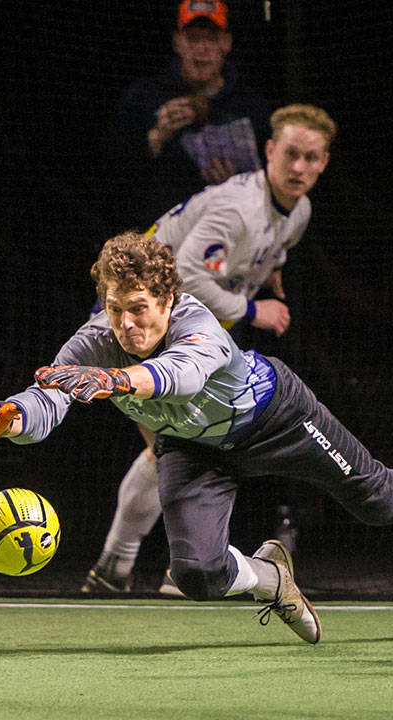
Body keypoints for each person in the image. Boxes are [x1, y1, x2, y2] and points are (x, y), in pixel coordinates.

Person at [0, 233, 393, 641]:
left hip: (274, 417)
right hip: (193, 447)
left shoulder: (198, 324)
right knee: (196, 574)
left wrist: (113, 381)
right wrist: (13, 418)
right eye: (115, 308)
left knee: (376, 500)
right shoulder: (94, 340)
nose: (125, 324)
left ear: (167, 300)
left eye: (139, 309)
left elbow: (180, 377)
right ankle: (271, 578)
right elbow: (52, 396)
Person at [81, 104, 335, 594]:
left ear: (324, 162)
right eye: (290, 154)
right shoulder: (236, 207)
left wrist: (269, 269)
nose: (299, 167)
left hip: (191, 337)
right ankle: (148, 567)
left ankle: (119, 569)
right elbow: (190, 275)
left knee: (179, 447)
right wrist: (255, 310)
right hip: (140, 326)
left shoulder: (297, 210)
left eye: (311, 157)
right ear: (268, 151)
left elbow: (271, 247)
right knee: (177, 447)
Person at [113, 0, 272, 228]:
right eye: (193, 39)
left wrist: (236, 186)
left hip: (226, 235)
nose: (202, 48)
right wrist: (156, 137)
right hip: (156, 237)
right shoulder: (143, 96)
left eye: (212, 39)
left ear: (226, 43)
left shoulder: (251, 106)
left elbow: (270, 183)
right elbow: (110, 172)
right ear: (177, 42)